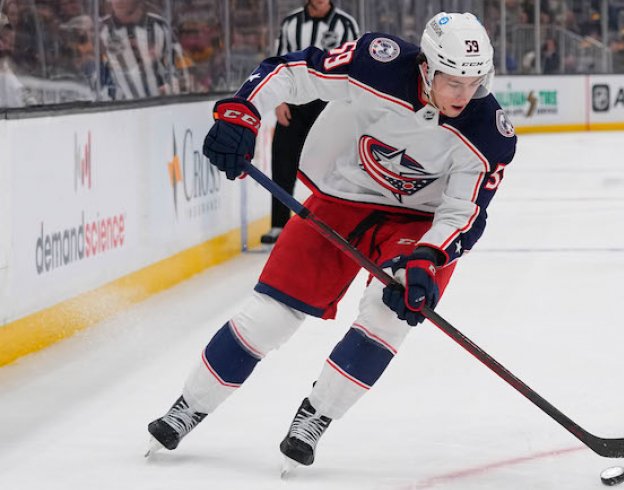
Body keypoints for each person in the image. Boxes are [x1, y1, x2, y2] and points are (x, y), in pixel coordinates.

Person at [146, 12, 516, 471]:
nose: (465, 95)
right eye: (453, 82)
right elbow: (291, 73)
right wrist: (243, 113)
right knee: (270, 315)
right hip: (342, 196)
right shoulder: (377, 64)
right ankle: (189, 406)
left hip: (420, 225)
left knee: (388, 315)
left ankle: (316, 417)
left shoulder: (489, 132)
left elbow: (465, 211)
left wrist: (428, 258)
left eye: (475, 82)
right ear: (426, 68)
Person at [261, 0, 359, 244]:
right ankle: (278, 223)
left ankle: (337, 223)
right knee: (282, 161)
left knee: (334, 166)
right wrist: (279, 100)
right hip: (294, 103)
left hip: (329, 103)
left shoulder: (346, 25)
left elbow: (355, 66)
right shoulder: (291, 23)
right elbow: (279, 63)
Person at [98, 0, 187, 100]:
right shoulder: (100, 30)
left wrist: (172, 86)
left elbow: (180, 68)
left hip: (159, 106)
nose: (118, 1)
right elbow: (92, 75)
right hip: (116, 109)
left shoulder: (159, 26)